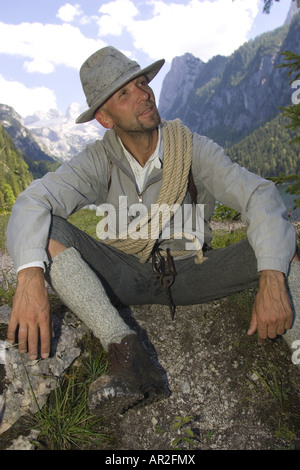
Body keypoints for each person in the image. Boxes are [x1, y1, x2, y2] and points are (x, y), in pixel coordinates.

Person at [5, 46, 300, 417]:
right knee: (47, 230)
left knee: (282, 248)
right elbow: (33, 202)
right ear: (105, 118)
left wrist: (272, 278)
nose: (143, 94)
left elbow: (259, 195)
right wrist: (29, 275)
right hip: (125, 272)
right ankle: (126, 353)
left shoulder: (191, 148)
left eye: (142, 82)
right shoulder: (99, 159)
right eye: (124, 93)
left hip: (194, 268)